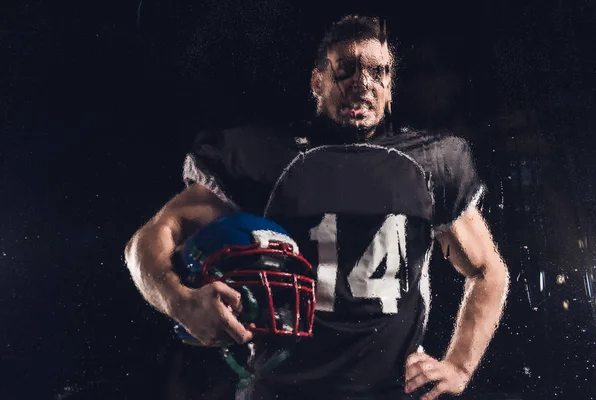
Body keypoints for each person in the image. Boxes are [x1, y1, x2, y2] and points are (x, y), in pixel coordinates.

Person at [125, 15, 509, 400]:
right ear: (317, 81)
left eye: (378, 72)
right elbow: (150, 238)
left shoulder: (429, 163)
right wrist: (180, 302)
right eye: (346, 68)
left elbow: (488, 270)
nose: (363, 83)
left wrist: (459, 366)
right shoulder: (269, 158)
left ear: (390, 86)